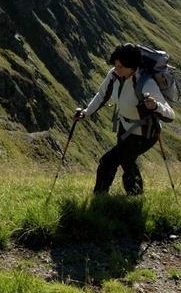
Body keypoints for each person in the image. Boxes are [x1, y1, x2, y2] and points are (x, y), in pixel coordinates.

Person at [74, 43, 174, 195]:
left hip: (144, 134)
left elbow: (170, 115)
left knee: (108, 161)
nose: (116, 69)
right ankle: (135, 195)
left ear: (132, 66)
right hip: (124, 127)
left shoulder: (146, 84)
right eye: (115, 64)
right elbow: (102, 95)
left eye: (120, 66)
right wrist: (85, 113)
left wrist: (155, 106)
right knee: (127, 161)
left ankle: (100, 197)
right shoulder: (115, 74)